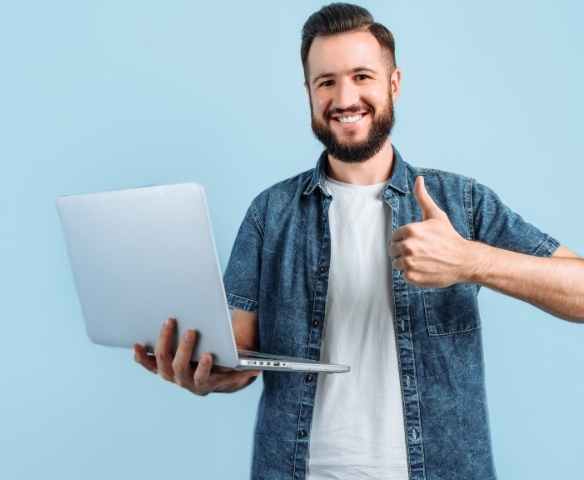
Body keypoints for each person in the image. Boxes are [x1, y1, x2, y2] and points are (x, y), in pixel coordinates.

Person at [134, 3, 584, 479]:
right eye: (326, 81)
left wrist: (470, 260)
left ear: (394, 83)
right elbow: (241, 357)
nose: (345, 97)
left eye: (362, 76)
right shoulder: (270, 212)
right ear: (308, 92)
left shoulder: (461, 201)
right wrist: (207, 374)